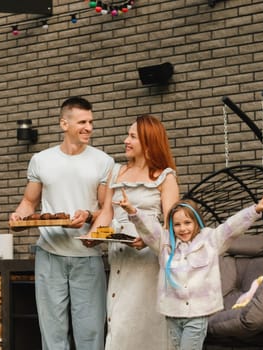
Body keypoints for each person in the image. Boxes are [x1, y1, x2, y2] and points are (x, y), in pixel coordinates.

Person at [9, 96, 114, 350]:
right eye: (82, 122)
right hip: (48, 255)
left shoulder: (104, 161)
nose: (89, 127)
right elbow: (29, 202)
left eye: (91, 122)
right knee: (52, 335)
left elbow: (105, 209)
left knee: (90, 334)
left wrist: (89, 218)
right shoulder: (41, 160)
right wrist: (17, 216)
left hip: (87, 257)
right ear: (63, 124)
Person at [116, 189, 263, 350]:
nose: (183, 228)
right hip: (172, 314)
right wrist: (132, 211)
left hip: (197, 315)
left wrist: (254, 210)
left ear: (197, 222)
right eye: (177, 224)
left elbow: (231, 227)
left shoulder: (211, 240)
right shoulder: (164, 243)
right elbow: (149, 228)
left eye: (187, 223)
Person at [84, 115, 179, 350]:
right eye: (128, 135)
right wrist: (94, 235)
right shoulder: (116, 173)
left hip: (148, 261)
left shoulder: (165, 177)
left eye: (132, 136)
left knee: (143, 321)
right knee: (118, 321)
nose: (126, 140)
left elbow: (171, 224)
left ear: (148, 142)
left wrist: (148, 240)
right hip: (120, 257)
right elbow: (107, 212)